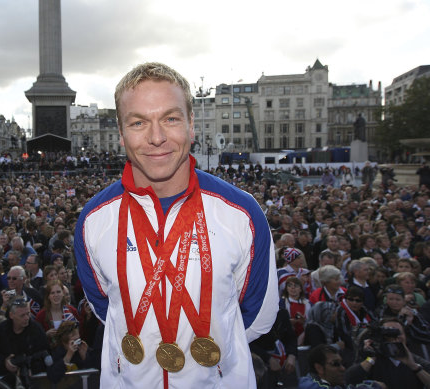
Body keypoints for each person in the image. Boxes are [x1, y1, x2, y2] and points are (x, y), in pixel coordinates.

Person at [75, 62, 278, 388]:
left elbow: (256, 316)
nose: (156, 138)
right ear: (121, 133)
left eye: (170, 118)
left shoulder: (242, 213)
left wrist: (214, 358)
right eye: (139, 122)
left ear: (191, 125)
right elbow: (105, 307)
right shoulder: (93, 220)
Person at [346, 318, 430, 388]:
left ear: (405, 336)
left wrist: (414, 366)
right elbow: (350, 379)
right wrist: (371, 358)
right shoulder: (371, 359)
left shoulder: (414, 359)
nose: (394, 338)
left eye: (397, 333)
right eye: (388, 334)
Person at [298, 344, 384, 389]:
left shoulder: (334, 383)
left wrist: (372, 357)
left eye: (341, 363)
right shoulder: (308, 384)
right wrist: (376, 386)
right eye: (335, 364)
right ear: (319, 368)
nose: (342, 368)